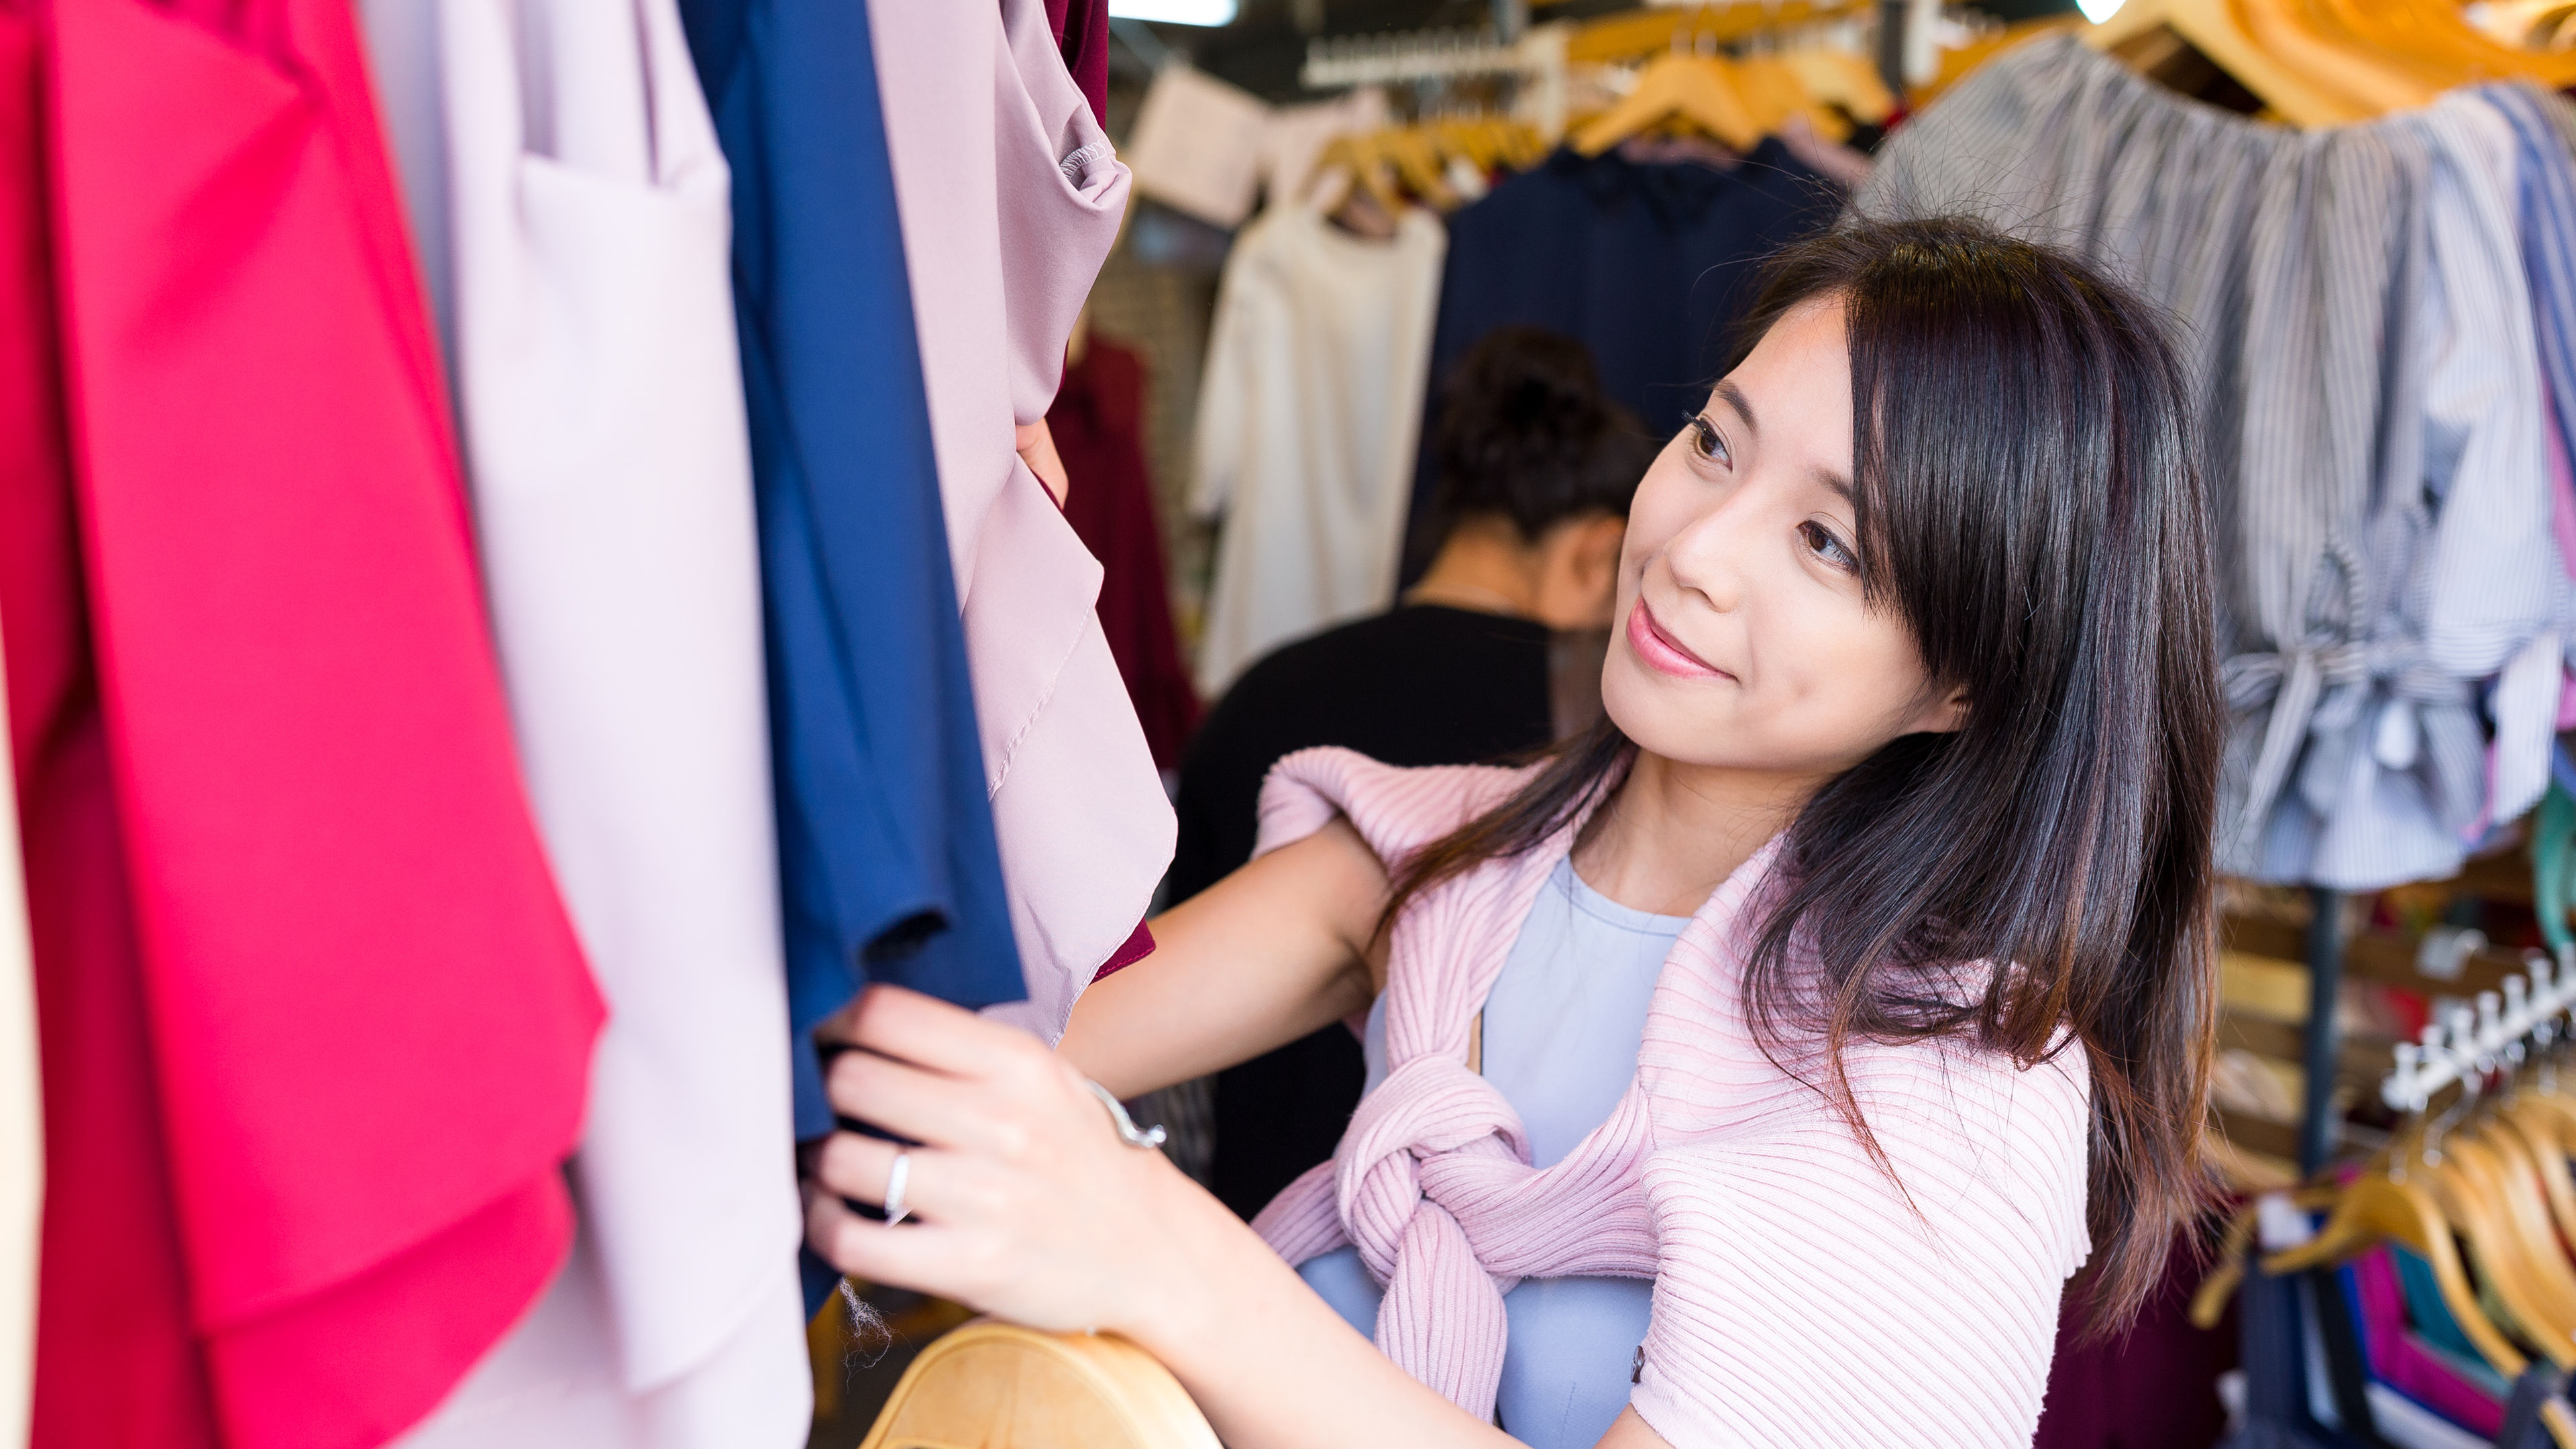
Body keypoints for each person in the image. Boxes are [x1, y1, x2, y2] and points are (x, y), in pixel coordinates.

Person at [800, 216, 2223, 1449]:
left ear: (1973, 675)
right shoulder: (1446, 862)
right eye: (1715, 441)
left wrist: (1165, 1255)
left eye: (1829, 544)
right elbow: (950, 1049)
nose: (1693, 548)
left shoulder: (1937, 1092)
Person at [1179, 325, 1656, 1222]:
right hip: (1447, 1247)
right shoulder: (1598, 731)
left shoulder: (1261, 692)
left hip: (1243, 1224)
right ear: (1602, 550)